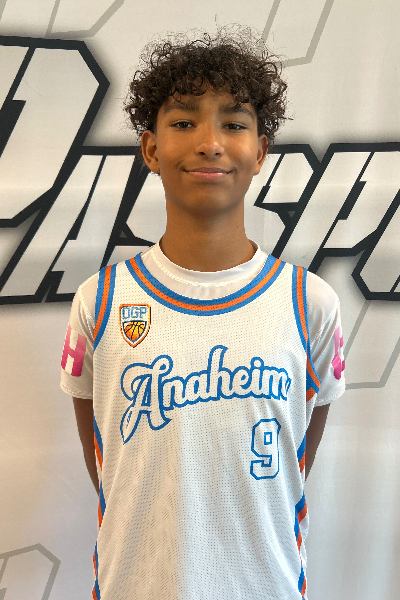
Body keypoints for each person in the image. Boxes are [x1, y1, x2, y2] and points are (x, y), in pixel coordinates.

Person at [61, 26, 345, 600]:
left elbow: (296, 458)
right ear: (150, 149)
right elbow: (107, 463)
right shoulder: (102, 300)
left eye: (234, 124)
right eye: (184, 122)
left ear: (260, 151)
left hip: (265, 586)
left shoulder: (309, 302)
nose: (210, 143)